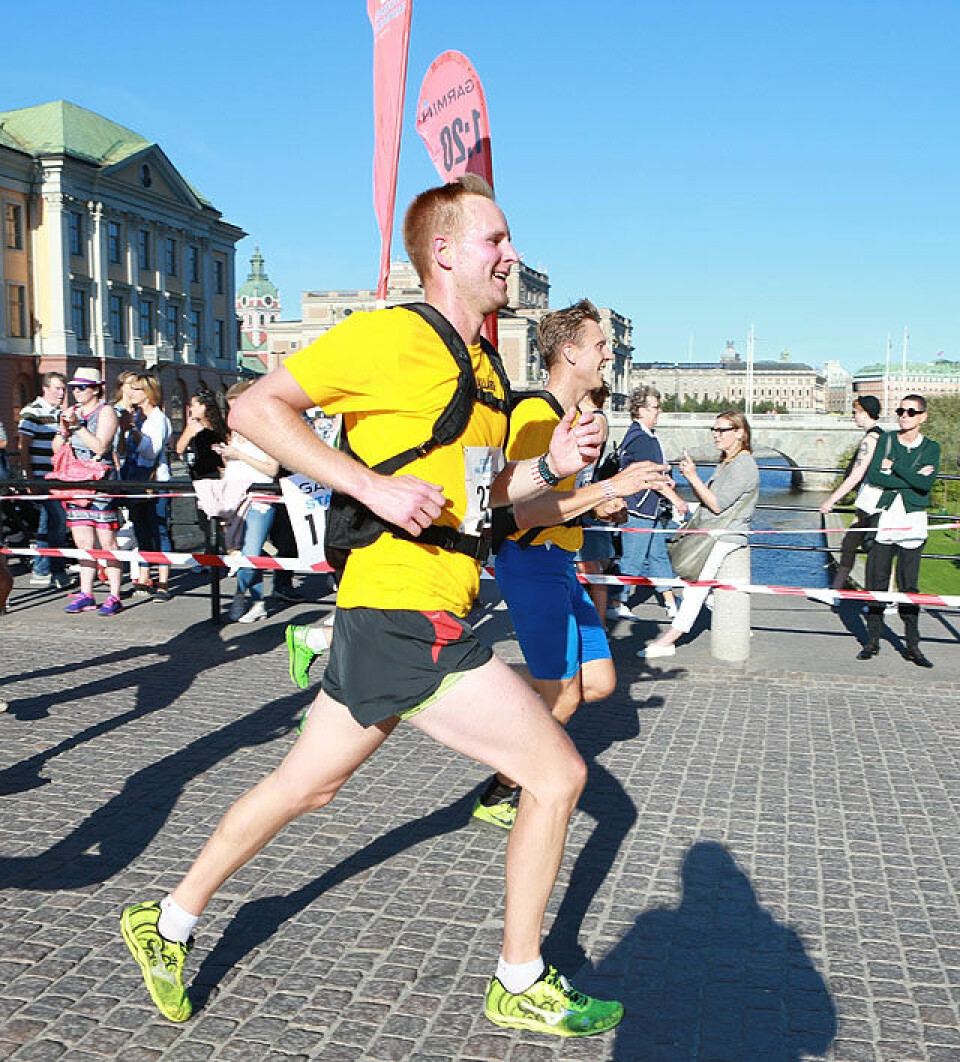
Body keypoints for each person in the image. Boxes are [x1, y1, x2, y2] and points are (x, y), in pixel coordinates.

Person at [120, 175, 625, 1039]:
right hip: (403, 612)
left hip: (404, 608)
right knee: (558, 774)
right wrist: (366, 485)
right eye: (495, 241)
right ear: (443, 252)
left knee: (306, 787)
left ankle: (164, 921)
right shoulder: (390, 336)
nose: (510, 255)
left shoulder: (483, 369)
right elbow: (256, 406)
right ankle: (519, 976)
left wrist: (558, 469)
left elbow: (486, 502)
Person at [477, 300, 668, 829]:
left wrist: (601, 502)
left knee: (600, 683)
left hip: (560, 561)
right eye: (601, 345)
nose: (609, 355)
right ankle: (499, 790)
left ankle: (466, 682)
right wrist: (609, 487)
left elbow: (560, 501)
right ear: (570, 352)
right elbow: (519, 511)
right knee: (561, 698)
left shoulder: (572, 418)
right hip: (530, 560)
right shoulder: (537, 416)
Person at [639, 411, 759, 658]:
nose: (716, 435)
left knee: (696, 585)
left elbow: (717, 504)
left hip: (723, 535)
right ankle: (737, 622)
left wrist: (692, 477)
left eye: (722, 430)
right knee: (702, 584)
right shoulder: (729, 461)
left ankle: (670, 639)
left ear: (740, 433)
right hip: (714, 532)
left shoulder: (743, 464)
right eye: (714, 430)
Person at [856, 395, 940, 667]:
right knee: (876, 582)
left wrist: (895, 468)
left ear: (923, 416)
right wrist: (910, 477)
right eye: (901, 410)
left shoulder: (931, 448)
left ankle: (913, 645)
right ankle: (872, 641)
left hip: (913, 522)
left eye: (911, 411)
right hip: (887, 520)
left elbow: (924, 486)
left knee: (909, 586)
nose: (904, 415)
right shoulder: (887, 440)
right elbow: (877, 477)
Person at [612, 386, 688, 621]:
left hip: (648, 508)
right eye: (655, 407)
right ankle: (617, 602)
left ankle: (668, 600)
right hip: (640, 507)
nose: (659, 412)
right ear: (641, 410)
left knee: (657, 555)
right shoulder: (644, 439)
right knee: (633, 558)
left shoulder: (638, 435)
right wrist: (676, 499)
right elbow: (649, 477)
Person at [52, 368, 123, 616]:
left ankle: (114, 594)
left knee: (107, 541)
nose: (76, 392)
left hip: (100, 480)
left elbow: (101, 446)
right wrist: (63, 429)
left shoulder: (106, 411)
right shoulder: (74, 413)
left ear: (95, 388)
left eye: (82, 387)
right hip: (76, 480)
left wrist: (78, 426)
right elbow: (56, 448)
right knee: (82, 541)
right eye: (74, 387)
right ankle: (86, 593)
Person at [216, 380, 281, 624]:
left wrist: (238, 454)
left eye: (237, 408)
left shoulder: (267, 429)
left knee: (251, 553)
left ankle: (240, 595)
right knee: (238, 552)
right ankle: (258, 602)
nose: (234, 415)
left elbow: (271, 468)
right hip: (235, 498)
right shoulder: (236, 432)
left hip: (259, 499)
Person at [819, 395, 884, 592]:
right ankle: (836, 591)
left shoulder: (870, 439)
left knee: (876, 551)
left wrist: (831, 500)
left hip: (871, 502)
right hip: (869, 502)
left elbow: (856, 475)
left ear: (865, 413)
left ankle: (884, 598)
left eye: (855, 412)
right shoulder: (881, 436)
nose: (853, 415)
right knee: (849, 545)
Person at [18, 371, 70, 588]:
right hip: (42, 476)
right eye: (57, 388)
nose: (61, 393)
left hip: (57, 476)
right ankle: (47, 568)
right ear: (46, 389)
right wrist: (29, 477)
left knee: (53, 521)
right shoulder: (32, 411)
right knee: (53, 520)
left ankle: (48, 568)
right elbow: (23, 446)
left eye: (63, 389)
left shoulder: (61, 413)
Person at [573, 383, 618, 626]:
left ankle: (598, 624)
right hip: (585, 498)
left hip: (586, 498)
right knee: (585, 566)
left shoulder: (595, 419)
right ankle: (592, 620)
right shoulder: (592, 418)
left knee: (589, 566)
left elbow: (588, 462)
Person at [125, 375, 173, 600]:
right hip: (137, 479)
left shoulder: (157, 418)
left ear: (147, 393)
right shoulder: (138, 416)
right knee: (141, 528)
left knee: (159, 528)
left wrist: (133, 430)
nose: (131, 393)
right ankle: (144, 576)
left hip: (156, 482)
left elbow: (151, 450)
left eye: (136, 389)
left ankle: (163, 579)